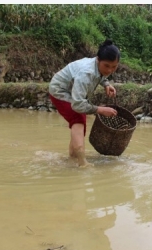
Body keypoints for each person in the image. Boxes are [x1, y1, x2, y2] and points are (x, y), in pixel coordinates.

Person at [48, 39, 120, 167]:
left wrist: (106, 84)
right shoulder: (86, 74)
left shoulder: (97, 66)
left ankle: (72, 157)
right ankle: (82, 163)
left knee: (79, 119)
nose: (110, 70)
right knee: (78, 118)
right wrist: (100, 110)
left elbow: (101, 74)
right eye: (107, 66)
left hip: (72, 90)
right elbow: (78, 105)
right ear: (98, 60)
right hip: (60, 91)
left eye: (114, 67)